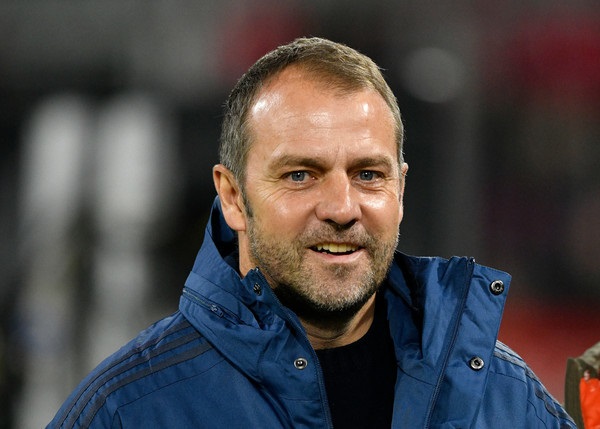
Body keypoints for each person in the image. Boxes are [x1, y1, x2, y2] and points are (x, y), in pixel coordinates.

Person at [47, 37, 575, 428]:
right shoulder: (127, 411)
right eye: (300, 175)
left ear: (400, 189)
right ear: (232, 197)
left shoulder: (507, 401)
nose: (342, 209)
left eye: (368, 175)